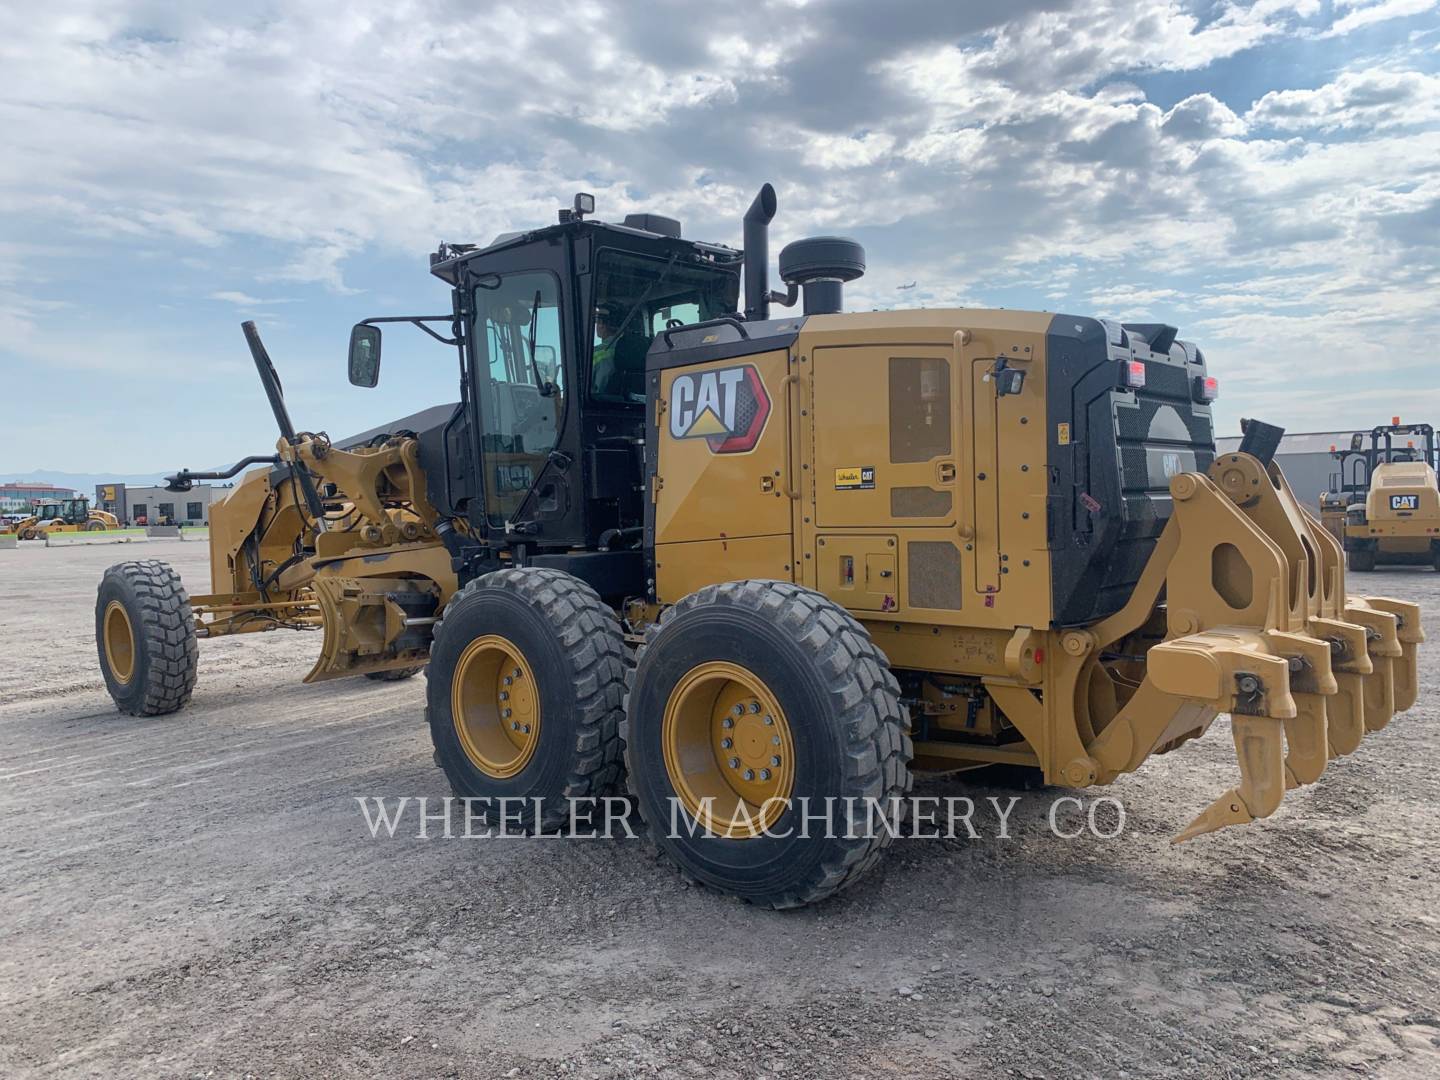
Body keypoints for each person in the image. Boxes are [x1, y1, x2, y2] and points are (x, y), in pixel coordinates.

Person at [591, 300, 626, 397]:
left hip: (601, 407)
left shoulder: (595, 353)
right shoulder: (640, 349)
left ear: (602, 325)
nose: (597, 325)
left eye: (597, 321)